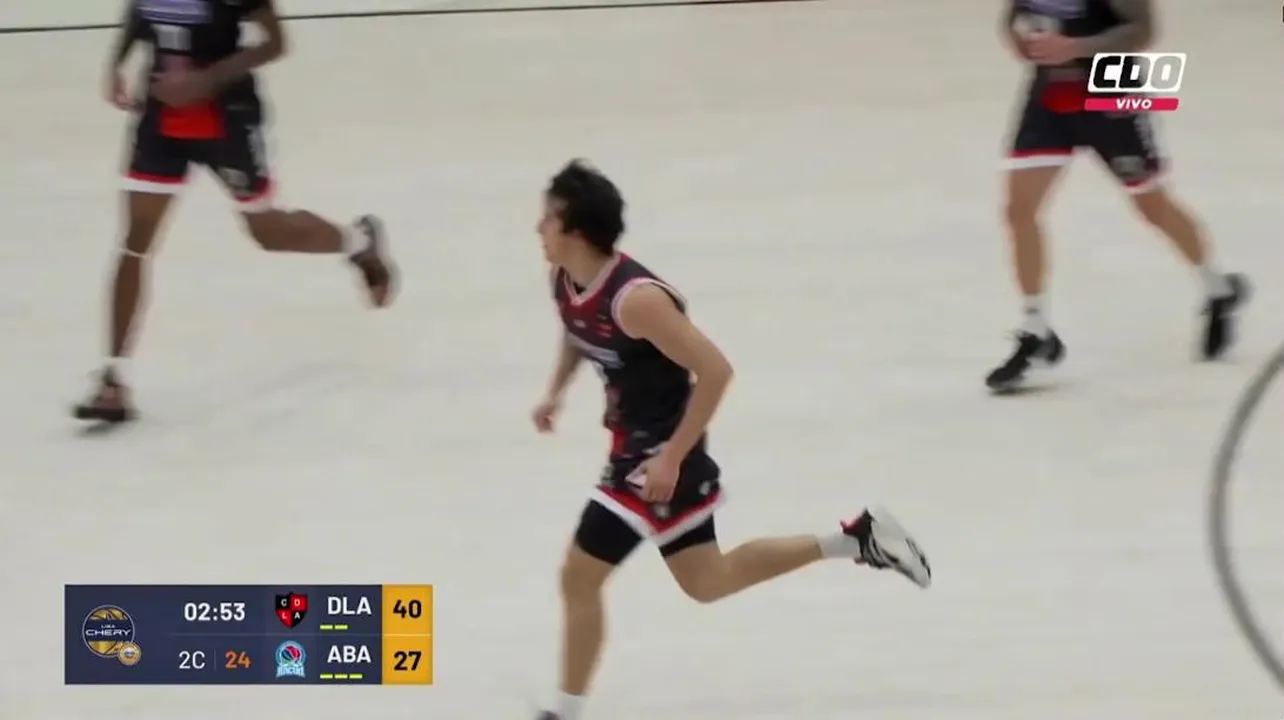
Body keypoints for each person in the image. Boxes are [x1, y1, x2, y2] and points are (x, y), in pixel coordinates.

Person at [530, 160, 931, 720]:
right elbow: (577, 332)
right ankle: (857, 539)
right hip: (635, 448)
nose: (538, 227)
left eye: (548, 218)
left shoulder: (637, 300)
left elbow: (716, 371)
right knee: (707, 580)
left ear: (575, 231)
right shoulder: (564, 278)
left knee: (578, 576)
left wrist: (672, 457)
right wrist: (555, 392)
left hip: (656, 459)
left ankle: (564, 713)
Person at [73, 0, 395, 423]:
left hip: (226, 120)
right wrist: (116, 62)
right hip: (161, 121)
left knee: (269, 233)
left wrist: (206, 80)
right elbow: (138, 10)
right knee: (135, 242)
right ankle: (114, 379)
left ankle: (359, 241)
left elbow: (275, 42)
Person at [988, 0, 1249, 393]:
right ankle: (1036, 327)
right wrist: (1018, 39)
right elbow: (1014, 14)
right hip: (1050, 95)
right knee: (1018, 211)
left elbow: (1143, 30)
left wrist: (1077, 47)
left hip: (1111, 89)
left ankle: (1218, 288)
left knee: (1152, 205)